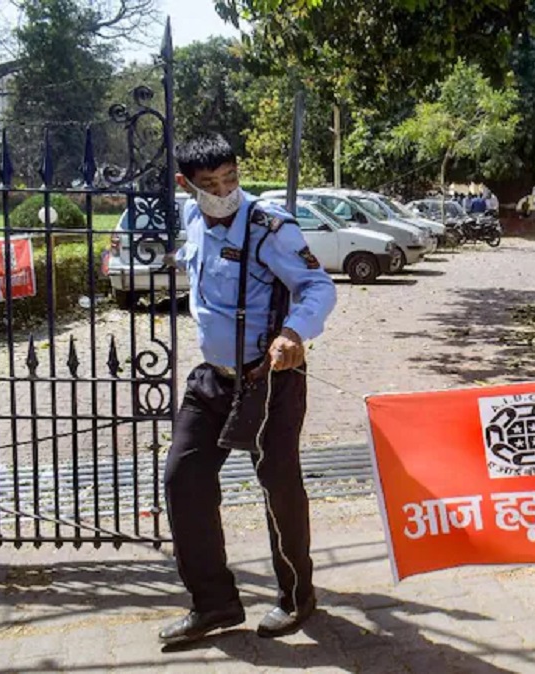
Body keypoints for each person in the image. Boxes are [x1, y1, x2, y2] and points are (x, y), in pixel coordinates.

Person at [157, 133, 337, 646]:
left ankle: (296, 596)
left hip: (269, 380)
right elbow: (198, 264)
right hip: (213, 379)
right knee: (183, 480)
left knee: (279, 489)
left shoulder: (270, 228)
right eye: (210, 184)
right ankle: (214, 604)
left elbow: (318, 286)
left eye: (230, 178)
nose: (224, 191)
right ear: (186, 185)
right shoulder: (193, 219)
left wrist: (294, 332)